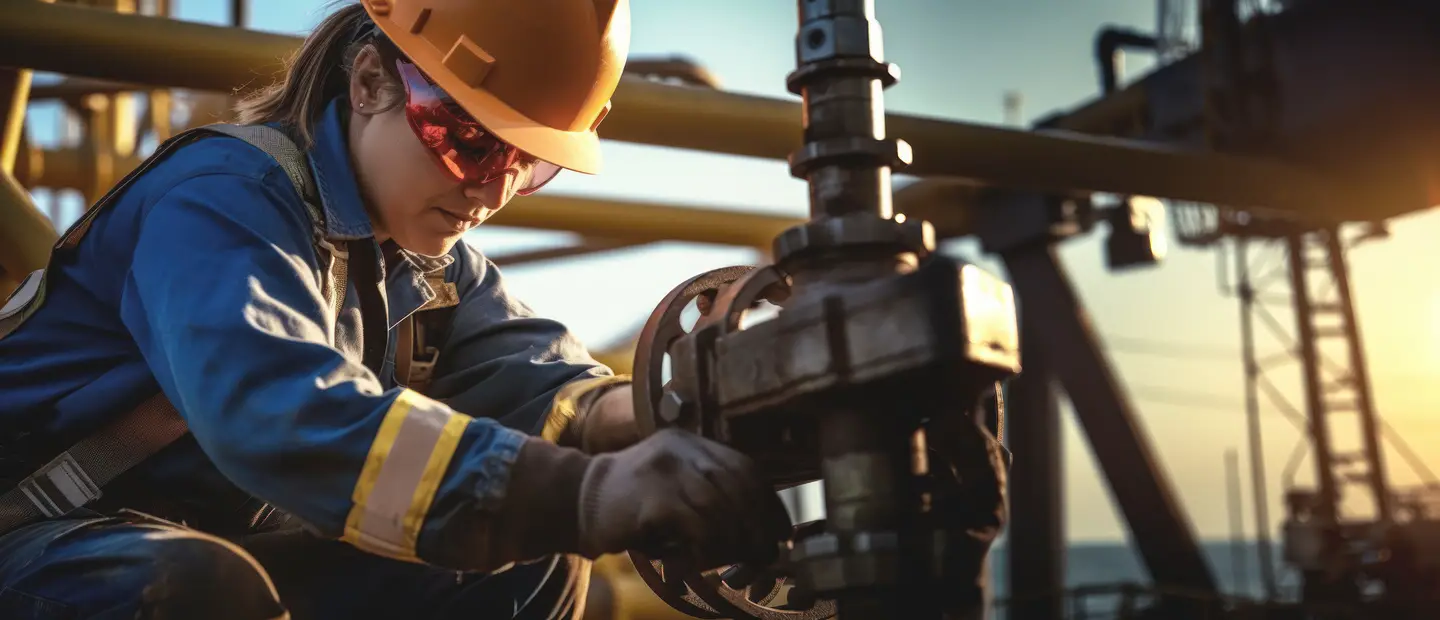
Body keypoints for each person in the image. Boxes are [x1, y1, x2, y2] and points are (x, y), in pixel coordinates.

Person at [0, 1, 794, 618]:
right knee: (192, 589)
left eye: (528, 162)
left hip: (177, 541)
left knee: (526, 567)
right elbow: (279, 417)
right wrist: (587, 496)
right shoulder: (223, 200)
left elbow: (542, 385)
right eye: (471, 143)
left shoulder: (423, 263)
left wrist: (687, 401)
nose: (493, 191)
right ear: (372, 79)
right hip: (32, 543)